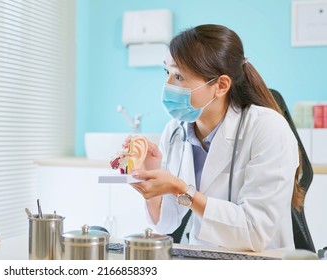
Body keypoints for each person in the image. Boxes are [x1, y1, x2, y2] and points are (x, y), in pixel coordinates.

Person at [129, 24, 301, 251]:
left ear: (220, 85)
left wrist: (182, 190)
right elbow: (167, 223)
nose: (167, 85)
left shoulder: (268, 128)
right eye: (167, 72)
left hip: (260, 262)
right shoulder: (175, 131)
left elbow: (255, 233)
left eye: (179, 76)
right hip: (202, 258)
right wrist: (151, 185)